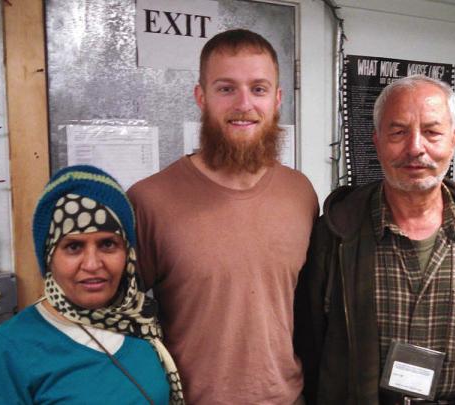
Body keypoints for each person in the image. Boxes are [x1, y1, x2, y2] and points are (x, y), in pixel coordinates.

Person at [294, 75, 455, 405]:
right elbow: (307, 348)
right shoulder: (336, 233)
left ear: (454, 139)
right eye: (398, 132)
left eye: (432, 132)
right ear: (376, 140)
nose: (415, 147)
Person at [127, 29, 318, 404]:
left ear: (277, 99)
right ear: (201, 97)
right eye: (226, 88)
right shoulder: (149, 200)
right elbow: (118, 322)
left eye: (259, 89)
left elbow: (309, 312)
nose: (244, 104)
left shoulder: (301, 194)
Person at [0, 165, 184, 404]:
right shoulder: (8, 349)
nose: (92, 264)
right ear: (49, 258)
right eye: (73, 247)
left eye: (108, 244)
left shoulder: (141, 325)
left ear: (128, 253)